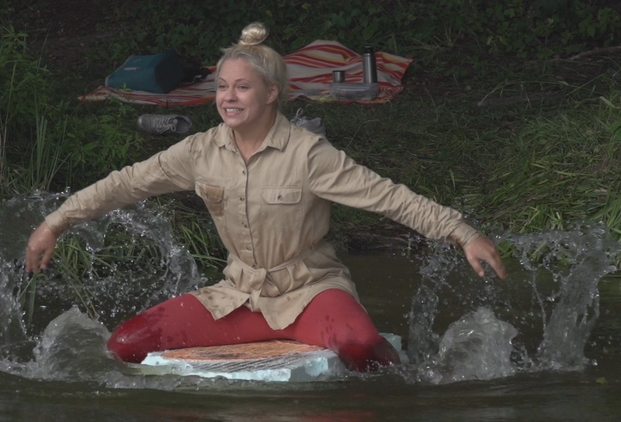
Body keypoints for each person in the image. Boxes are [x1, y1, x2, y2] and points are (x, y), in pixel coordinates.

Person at [25, 22, 506, 373]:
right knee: (126, 344)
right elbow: (124, 182)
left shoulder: (309, 154)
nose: (228, 97)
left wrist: (462, 233)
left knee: (363, 351)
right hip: (239, 298)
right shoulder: (199, 151)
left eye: (242, 87)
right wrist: (55, 223)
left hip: (311, 294)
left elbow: (388, 197)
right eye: (222, 87)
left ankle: (398, 389)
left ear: (272, 93)